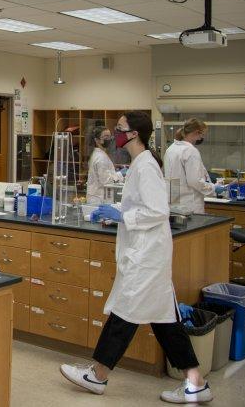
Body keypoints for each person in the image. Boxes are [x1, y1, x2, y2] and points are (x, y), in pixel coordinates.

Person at [59, 111, 214, 404]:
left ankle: (98, 374)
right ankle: (196, 382)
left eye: (119, 128)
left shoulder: (145, 167)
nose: (114, 133)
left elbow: (158, 211)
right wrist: (120, 215)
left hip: (147, 256)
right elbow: (144, 205)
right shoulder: (140, 164)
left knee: (125, 311)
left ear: (134, 135)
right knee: (164, 321)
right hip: (146, 252)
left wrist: (122, 215)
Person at [164, 118, 227, 214]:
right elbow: (194, 181)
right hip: (190, 205)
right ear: (197, 132)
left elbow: (174, 180)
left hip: (174, 203)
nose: (201, 138)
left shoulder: (171, 149)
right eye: (202, 135)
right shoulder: (190, 151)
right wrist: (213, 188)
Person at [86, 125, 122, 205]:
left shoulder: (98, 154)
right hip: (99, 198)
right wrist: (120, 174)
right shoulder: (100, 157)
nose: (109, 139)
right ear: (96, 140)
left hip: (98, 196)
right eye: (105, 136)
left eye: (110, 136)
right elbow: (106, 181)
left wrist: (114, 172)